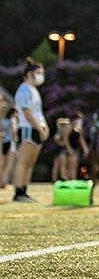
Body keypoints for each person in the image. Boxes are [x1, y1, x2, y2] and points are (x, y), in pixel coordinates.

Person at [12, 59, 49, 202]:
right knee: (23, 161)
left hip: (36, 129)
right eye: (38, 72)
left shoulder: (34, 90)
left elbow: (38, 112)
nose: (41, 75)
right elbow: (27, 112)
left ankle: (24, 190)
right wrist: (39, 128)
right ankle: (18, 192)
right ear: (29, 73)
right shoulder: (24, 89)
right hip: (28, 129)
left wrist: (45, 128)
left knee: (30, 163)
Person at [0, 101, 16, 190]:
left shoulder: (3, 120)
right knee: (8, 165)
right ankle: (4, 183)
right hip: (11, 143)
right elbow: (14, 131)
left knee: (2, 164)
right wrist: (16, 137)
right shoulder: (12, 120)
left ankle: (0, 182)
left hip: (3, 143)